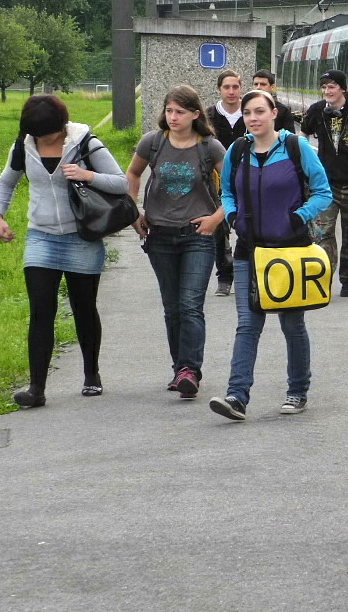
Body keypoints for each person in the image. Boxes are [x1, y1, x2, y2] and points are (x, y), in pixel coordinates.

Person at [0, 94, 126, 407]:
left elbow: (121, 183)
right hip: (41, 237)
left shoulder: (86, 142)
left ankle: (91, 374)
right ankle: (36, 389)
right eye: (38, 136)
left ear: (62, 125)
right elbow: (6, 182)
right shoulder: (23, 145)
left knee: (83, 308)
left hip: (82, 237)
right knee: (41, 311)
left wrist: (87, 175)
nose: (44, 140)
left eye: (50, 135)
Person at [207, 89, 332, 422]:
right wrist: (233, 216)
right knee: (247, 325)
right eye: (248, 112)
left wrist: (298, 217)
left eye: (260, 111)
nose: (253, 118)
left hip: (289, 251)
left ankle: (298, 391)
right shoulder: (238, 150)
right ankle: (236, 396)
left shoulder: (296, 148)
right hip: (249, 251)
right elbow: (226, 191)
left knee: (292, 324)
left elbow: (323, 192)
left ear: (274, 113)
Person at [125, 85, 226, 399]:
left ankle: (189, 371)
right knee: (172, 308)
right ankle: (179, 368)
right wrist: (133, 211)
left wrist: (216, 218)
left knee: (190, 305)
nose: (173, 117)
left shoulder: (210, 147)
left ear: (195, 114)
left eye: (180, 112)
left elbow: (237, 186)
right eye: (169, 111)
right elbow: (132, 174)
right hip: (159, 236)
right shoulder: (153, 142)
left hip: (198, 235)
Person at [208, 70, 294, 296]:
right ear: (219, 89)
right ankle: (225, 275)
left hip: (253, 180)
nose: (231, 91)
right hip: (220, 181)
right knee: (220, 229)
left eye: (235, 87)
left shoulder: (251, 117)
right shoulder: (210, 115)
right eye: (226, 87)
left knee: (253, 226)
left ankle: (262, 272)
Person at [301, 69, 348, 297]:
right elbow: (302, 134)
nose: (327, 91)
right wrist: (305, 160)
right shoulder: (317, 110)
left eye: (332, 87)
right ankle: (322, 280)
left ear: (342, 89)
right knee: (321, 234)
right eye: (324, 87)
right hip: (325, 186)